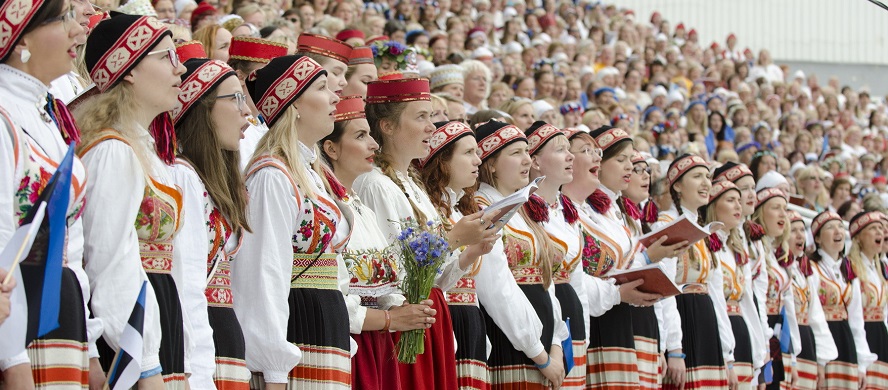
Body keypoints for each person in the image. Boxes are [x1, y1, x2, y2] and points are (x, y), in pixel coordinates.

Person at [353, 77, 495, 390]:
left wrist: (469, 249)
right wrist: (453, 239)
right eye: (421, 117)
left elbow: (437, 278)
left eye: (431, 116)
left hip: (429, 314)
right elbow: (392, 274)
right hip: (405, 319)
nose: (432, 126)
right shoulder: (375, 184)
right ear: (388, 127)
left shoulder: (411, 184)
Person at [76, 13, 187, 389]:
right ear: (129, 70)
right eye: (166, 57)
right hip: (128, 337)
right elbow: (109, 262)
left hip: (154, 320)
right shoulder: (112, 151)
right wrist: (144, 363)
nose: (181, 67)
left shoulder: (142, 148)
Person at [233, 54, 350, 389]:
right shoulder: (272, 175)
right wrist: (273, 368)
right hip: (297, 326)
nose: (334, 97)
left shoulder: (311, 173)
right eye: (322, 87)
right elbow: (264, 272)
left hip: (321, 323)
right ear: (294, 103)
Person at [0, 0, 92, 386]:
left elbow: (72, 243)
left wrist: (92, 341)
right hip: (21, 315)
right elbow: (3, 236)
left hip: (58, 304)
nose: (77, 30)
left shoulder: (43, 114)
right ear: (21, 37)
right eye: (61, 18)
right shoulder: (4, 114)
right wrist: (11, 355)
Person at [319, 95, 436, 390]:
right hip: (349, 345)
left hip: (378, 345)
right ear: (331, 148)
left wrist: (404, 308)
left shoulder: (362, 209)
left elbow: (391, 277)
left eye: (371, 135)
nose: (374, 144)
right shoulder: (325, 208)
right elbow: (330, 295)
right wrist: (388, 318)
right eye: (361, 136)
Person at [169, 58, 251, 389]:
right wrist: (198, 375)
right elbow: (186, 286)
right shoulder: (182, 176)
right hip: (201, 352)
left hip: (222, 342)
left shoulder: (209, 182)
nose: (247, 112)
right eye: (235, 99)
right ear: (201, 108)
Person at [472, 120, 568, 388]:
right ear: (490, 163)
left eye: (527, 152)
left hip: (542, 344)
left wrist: (556, 343)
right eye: (516, 153)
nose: (527, 160)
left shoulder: (524, 209)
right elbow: (497, 289)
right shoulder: (483, 209)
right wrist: (538, 353)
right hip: (512, 341)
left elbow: (546, 280)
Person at [418, 120, 494, 389]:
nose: (478, 159)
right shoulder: (427, 208)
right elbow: (424, 276)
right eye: (468, 152)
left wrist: (473, 253)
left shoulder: (459, 209)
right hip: (439, 320)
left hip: (466, 324)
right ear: (442, 160)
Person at [656, 154, 732, 390]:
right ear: (677, 185)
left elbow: (717, 297)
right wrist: (675, 348)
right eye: (697, 176)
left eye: (708, 177)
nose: (706, 183)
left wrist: (728, 354)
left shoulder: (703, 231)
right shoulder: (666, 224)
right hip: (683, 318)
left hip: (705, 319)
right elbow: (664, 290)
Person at [524, 121, 587, 389]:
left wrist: (586, 336)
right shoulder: (523, 208)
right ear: (535, 161)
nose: (570, 156)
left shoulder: (568, 211)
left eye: (569, 150)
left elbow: (578, 280)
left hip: (573, 315)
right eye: (560, 150)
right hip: (541, 314)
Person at [809, 211, 877, 389]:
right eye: (830, 227)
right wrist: (820, 361)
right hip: (823, 339)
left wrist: (862, 363)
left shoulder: (848, 270)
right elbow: (814, 316)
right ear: (817, 238)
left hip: (845, 340)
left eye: (840, 226)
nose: (837, 231)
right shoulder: (812, 268)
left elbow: (856, 319)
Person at [703, 181, 759, 388]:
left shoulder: (734, 249)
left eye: (738, 200)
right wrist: (727, 355)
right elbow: (716, 300)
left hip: (740, 335)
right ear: (713, 206)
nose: (738, 205)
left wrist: (759, 352)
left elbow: (748, 305)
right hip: (719, 335)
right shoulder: (708, 245)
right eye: (730, 200)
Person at [786, 210, 837, 390]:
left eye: (802, 230)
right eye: (793, 230)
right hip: (788, 342)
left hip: (807, 341)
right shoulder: (777, 267)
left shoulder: (803, 271)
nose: (800, 235)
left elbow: (816, 316)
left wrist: (821, 362)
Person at [226, 36, 288, 170]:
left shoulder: (264, 123)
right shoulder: (235, 127)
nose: (273, 82)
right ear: (240, 77)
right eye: (264, 74)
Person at [846, 211, 888, 389]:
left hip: (880, 336)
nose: (880, 232)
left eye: (881, 228)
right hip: (863, 335)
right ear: (859, 237)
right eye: (873, 228)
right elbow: (854, 316)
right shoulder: (850, 267)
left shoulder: (879, 269)